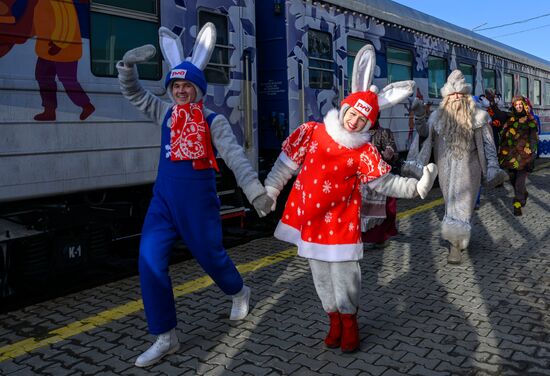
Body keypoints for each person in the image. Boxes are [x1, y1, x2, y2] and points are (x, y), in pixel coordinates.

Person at [116, 23, 273, 367]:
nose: (181, 90)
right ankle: (165, 336)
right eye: (176, 85)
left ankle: (239, 291)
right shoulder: (166, 113)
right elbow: (136, 95)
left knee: (212, 258)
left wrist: (254, 191)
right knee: (149, 263)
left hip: (198, 205)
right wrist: (127, 68)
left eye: (187, 85)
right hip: (163, 204)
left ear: (198, 88)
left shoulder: (213, 120)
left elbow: (234, 157)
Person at [264, 45, 438, 353]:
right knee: (320, 278)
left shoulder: (363, 152)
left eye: (362, 120)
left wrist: (416, 188)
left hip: (342, 223)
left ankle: (349, 322)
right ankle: (333, 321)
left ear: (368, 124)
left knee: (346, 279)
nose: (355, 122)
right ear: (345, 109)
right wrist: (269, 192)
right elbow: (285, 165)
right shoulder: (312, 132)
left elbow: (384, 182)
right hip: (312, 221)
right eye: (353, 114)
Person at [410, 70, 507, 265]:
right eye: (451, 95)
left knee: (463, 205)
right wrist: (420, 115)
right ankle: (459, 237)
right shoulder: (438, 118)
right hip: (445, 170)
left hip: (470, 170)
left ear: (466, 97)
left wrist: (492, 167)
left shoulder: (479, 117)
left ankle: (455, 247)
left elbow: (489, 145)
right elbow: (422, 133)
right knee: (451, 204)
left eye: (459, 95)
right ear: (445, 98)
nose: (455, 99)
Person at [32, 0, 95, 121]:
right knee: (43, 77)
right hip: (47, 49)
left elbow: (67, 22)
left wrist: (59, 44)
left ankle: (86, 106)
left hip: (63, 50)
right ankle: (49, 111)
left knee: (67, 80)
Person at [360, 117, 399, 248]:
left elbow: (394, 153)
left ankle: (381, 237)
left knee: (385, 209)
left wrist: (391, 154)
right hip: (362, 178)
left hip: (380, 178)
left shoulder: (384, 132)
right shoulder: (357, 133)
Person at [497, 95, 539, 216]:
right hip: (510, 155)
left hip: (524, 155)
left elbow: (533, 137)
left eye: (520, 104)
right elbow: (503, 132)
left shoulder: (530, 120)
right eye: (516, 105)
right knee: (512, 177)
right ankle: (523, 193)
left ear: (524, 105)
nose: (518, 106)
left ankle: (518, 202)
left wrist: (531, 150)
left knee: (520, 179)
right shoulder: (510, 118)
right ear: (514, 106)